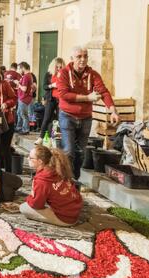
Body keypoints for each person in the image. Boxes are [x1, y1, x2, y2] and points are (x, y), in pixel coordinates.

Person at [57, 46, 120, 179]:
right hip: (67, 116)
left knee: (81, 153)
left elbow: (103, 92)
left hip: (85, 117)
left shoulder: (93, 74)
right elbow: (64, 94)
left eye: (85, 56)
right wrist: (87, 98)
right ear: (72, 58)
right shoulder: (63, 73)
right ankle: (66, 181)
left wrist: (113, 110)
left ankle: (75, 181)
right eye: (79, 56)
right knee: (68, 151)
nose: (83, 59)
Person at [20, 145, 83, 227]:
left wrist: (30, 198)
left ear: (40, 161)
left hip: (65, 218)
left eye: (30, 158)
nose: (28, 159)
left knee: (23, 207)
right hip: (73, 211)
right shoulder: (57, 168)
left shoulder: (42, 180)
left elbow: (36, 204)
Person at [36, 57, 66, 145]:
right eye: (57, 67)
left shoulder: (64, 75)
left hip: (60, 100)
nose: (59, 69)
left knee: (59, 119)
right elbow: (44, 86)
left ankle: (54, 137)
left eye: (61, 67)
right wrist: (52, 85)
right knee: (47, 118)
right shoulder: (49, 74)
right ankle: (41, 137)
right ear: (54, 66)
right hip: (51, 99)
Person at [14, 62, 34, 135]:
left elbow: (24, 89)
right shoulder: (30, 75)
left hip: (23, 98)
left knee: (23, 114)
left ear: (23, 68)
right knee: (19, 113)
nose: (19, 70)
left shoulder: (26, 76)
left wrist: (18, 84)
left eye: (19, 68)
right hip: (24, 97)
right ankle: (19, 128)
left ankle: (25, 129)